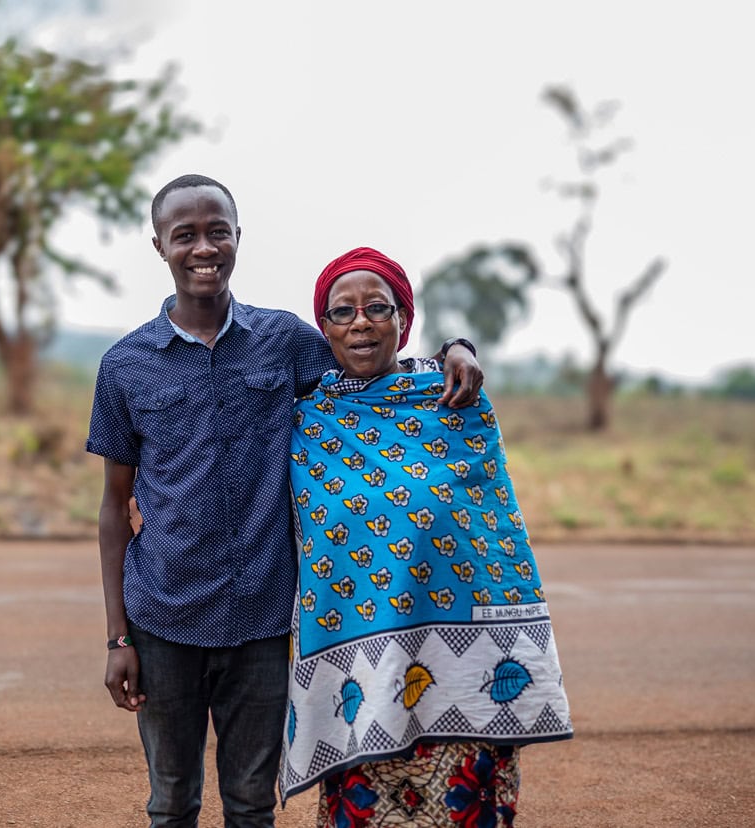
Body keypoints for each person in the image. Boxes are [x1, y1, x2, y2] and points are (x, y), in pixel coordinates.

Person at [86, 175, 486, 828]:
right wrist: (116, 637)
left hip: (265, 626)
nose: (203, 247)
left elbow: (375, 366)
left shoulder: (286, 341)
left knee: (251, 804)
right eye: (184, 235)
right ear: (159, 246)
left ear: (238, 238)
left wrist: (455, 350)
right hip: (163, 621)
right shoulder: (125, 366)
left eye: (217, 231)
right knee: (171, 802)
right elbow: (112, 508)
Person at [278, 247, 573, 827]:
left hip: (467, 686)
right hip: (357, 687)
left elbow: (493, 535)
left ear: (404, 321)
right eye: (343, 312)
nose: (360, 322)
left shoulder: (456, 403)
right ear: (325, 330)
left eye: (377, 308)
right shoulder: (305, 423)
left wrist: (456, 348)